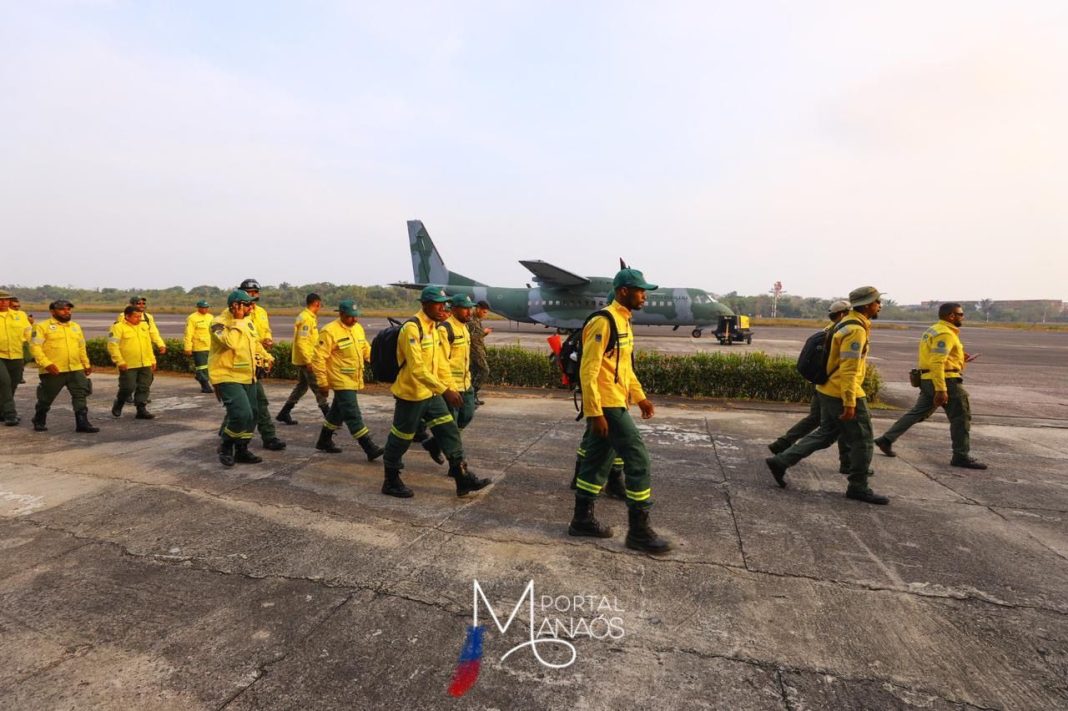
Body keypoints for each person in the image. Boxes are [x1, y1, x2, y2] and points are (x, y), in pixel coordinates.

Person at [568, 268, 671, 554]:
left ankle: (581, 520)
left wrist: (641, 398)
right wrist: (595, 412)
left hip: (616, 401)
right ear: (623, 291)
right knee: (638, 458)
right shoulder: (604, 321)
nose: (644, 297)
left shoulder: (623, 322)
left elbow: (624, 369)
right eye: (640, 291)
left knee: (597, 462)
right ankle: (639, 531)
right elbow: (588, 372)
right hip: (608, 405)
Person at [765, 286, 890, 505]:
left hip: (828, 389)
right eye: (878, 301)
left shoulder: (842, 323)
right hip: (843, 392)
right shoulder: (856, 330)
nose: (880, 305)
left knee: (826, 433)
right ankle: (858, 486)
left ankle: (782, 460)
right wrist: (850, 401)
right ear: (869, 304)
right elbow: (849, 369)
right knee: (863, 440)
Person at [380, 286, 491, 498]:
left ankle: (462, 478)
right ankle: (391, 479)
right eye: (438, 304)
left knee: (449, 430)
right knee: (402, 437)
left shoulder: (433, 326)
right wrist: (444, 389)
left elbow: (440, 364)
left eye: (444, 303)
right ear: (424, 305)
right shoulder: (412, 329)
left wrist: (449, 387)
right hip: (412, 394)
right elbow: (416, 368)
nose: (443, 307)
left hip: (432, 394)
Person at [875, 303, 987, 469]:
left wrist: (960, 359)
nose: (963, 317)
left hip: (928, 379)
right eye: (960, 314)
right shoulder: (945, 333)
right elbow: (937, 361)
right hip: (945, 380)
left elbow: (935, 357)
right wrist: (941, 389)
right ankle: (961, 455)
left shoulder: (933, 330)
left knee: (917, 413)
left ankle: (886, 439)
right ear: (951, 316)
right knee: (961, 417)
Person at [768, 300, 855, 474]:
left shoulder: (827, 330)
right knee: (839, 426)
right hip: (833, 386)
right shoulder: (841, 332)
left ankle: (783, 443)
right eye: (850, 312)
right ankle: (847, 463)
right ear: (843, 314)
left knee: (815, 418)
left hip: (820, 384)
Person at [310, 299, 385, 460]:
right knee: (352, 414)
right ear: (342, 314)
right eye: (351, 316)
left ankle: (324, 440)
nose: (355, 319)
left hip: (353, 378)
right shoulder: (329, 331)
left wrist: (379, 362)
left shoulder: (357, 328)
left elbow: (365, 349)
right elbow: (318, 358)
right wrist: (322, 383)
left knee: (336, 412)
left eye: (356, 316)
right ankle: (369, 447)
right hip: (340, 379)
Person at [209, 290, 263, 466]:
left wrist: (267, 357)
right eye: (247, 304)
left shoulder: (248, 322)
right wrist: (237, 320)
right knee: (241, 414)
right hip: (227, 375)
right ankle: (226, 445)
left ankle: (242, 449)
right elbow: (230, 343)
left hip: (248, 376)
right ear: (236, 306)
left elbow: (254, 344)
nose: (251, 307)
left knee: (253, 414)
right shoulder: (217, 324)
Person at [29, 299, 98, 433]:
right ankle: (39, 418)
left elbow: (81, 347)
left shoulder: (75, 326)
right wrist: (46, 364)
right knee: (46, 397)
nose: (66, 312)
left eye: (68, 309)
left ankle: (82, 423)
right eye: (62, 309)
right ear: (52, 311)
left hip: (75, 368)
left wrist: (86, 363)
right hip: (54, 369)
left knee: (80, 394)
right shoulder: (42, 327)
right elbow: (35, 347)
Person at [235, 278, 285, 452]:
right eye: (250, 293)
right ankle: (232, 439)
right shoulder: (235, 315)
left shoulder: (261, 312)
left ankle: (266, 437)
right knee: (247, 404)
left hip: (256, 361)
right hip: (239, 366)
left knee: (253, 403)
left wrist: (268, 340)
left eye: (256, 293)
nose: (254, 296)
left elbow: (264, 331)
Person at [277, 292, 330, 425]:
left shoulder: (307, 316)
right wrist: (308, 361)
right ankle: (330, 418)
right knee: (318, 387)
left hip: (303, 358)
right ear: (317, 303)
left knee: (302, 387)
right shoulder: (306, 318)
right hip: (307, 360)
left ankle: (284, 413)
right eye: (320, 305)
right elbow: (302, 341)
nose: (320, 307)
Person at [107, 305, 157, 419]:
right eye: (136, 317)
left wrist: (152, 359)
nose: (139, 319)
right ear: (127, 316)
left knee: (144, 386)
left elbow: (148, 345)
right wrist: (119, 361)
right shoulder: (118, 327)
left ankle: (141, 409)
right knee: (128, 387)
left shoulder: (144, 326)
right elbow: (112, 346)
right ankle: (119, 402)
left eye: (140, 316)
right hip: (128, 364)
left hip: (145, 363)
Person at [118, 296, 166, 403]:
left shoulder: (148, 317)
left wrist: (160, 345)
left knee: (147, 378)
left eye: (143, 303)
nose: (141, 305)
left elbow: (153, 332)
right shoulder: (123, 316)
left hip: (145, 352)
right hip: (129, 354)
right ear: (131, 305)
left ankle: (141, 398)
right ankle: (126, 395)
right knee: (129, 380)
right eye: (138, 303)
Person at [0, 290, 33, 426]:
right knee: (5, 383)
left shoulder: (20, 315)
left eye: (6, 300)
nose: (3, 303)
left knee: (13, 384)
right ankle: (10, 414)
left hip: (16, 355)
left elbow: (28, 333)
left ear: (9, 301)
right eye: (0, 300)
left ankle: (2, 411)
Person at [183, 300, 214, 393]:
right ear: (198, 308)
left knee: (210, 366)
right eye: (203, 308)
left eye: (206, 308)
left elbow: (215, 331)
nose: (205, 309)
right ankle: (205, 385)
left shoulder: (211, 317)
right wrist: (187, 347)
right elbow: (188, 333)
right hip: (199, 347)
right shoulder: (192, 318)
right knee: (201, 367)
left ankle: (200, 377)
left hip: (210, 346)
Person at [468, 300, 492, 405]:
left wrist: (484, 334)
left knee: (473, 374)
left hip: (477, 351)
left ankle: (471, 396)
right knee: (484, 371)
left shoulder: (476, 319)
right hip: (474, 352)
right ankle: (472, 394)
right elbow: (472, 337)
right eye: (484, 312)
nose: (485, 315)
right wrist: (484, 332)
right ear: (478, 309)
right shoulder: (472, 321)